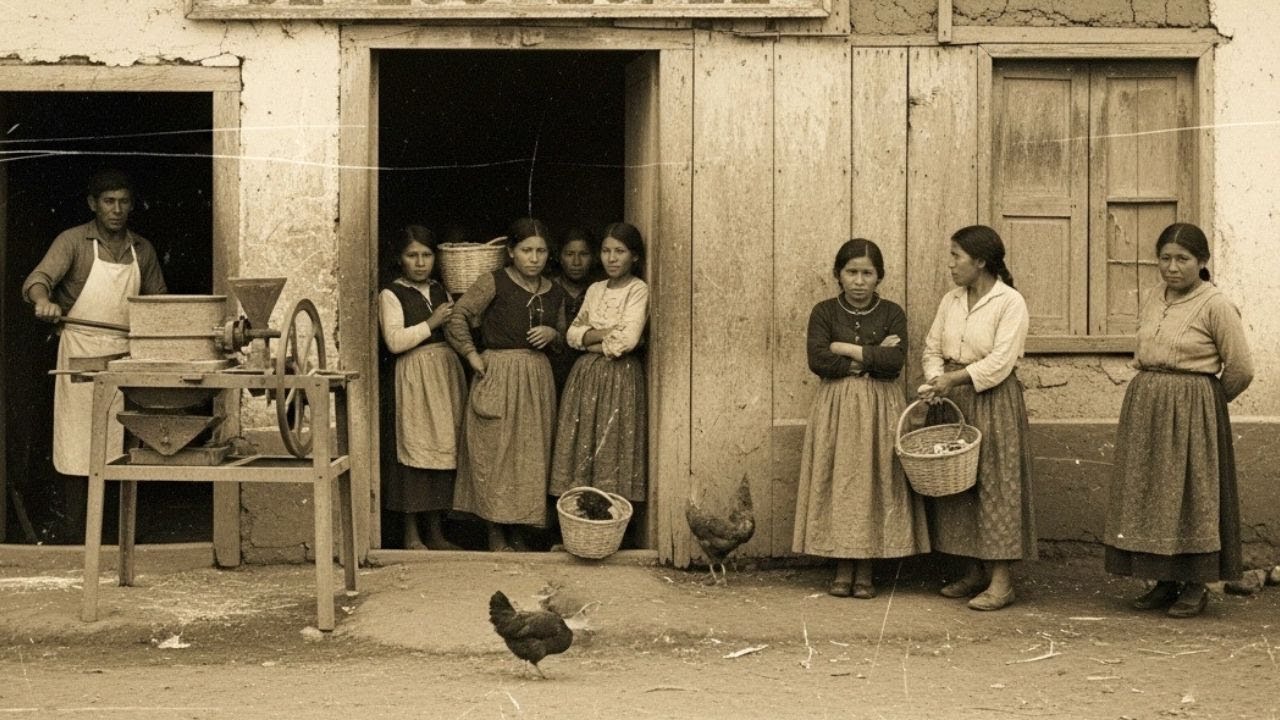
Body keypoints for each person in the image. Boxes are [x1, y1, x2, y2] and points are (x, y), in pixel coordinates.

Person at [1104, 223, 1253, 618]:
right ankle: (1164, 581)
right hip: (1147, 409)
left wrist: (1207, 404)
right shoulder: (1154, 296)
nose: (1172, 267)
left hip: (1192, 411)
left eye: (1183, 259)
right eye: (1165, 258)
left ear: (1201, 262)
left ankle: (1195, 584)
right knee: (1153, 492)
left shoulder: (1216, 305)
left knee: (1191, 494)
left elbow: (1241, 368)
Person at [21, 169, 168, 536]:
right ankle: (76, 533)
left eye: (124, 202)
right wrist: (43, 302)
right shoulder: (72, 241)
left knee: (122, 441)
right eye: (108, 202)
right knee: (78, 442)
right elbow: (37, 280)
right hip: (80, 351)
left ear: (131, 205)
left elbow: (160, 305)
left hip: (126, 355)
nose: (116, 210)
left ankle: (118, 535)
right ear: (93, 204)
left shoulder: (142, 249)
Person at [793, 239, 929, 599]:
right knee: (841, 480)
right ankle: (842, 566)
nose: (858, 281)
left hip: (881, 405)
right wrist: (871, 355)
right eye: (851, 272)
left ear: (878, 276)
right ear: (838, 274)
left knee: (875, 479)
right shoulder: (824, 312)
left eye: (867, 273)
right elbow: (818, 360)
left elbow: (894, 362)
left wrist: (844, 349)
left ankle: (867, 569)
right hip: (836, 406)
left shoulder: (892, 312)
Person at [918, 225, 1034, 611]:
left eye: (957, 256)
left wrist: (953, 379)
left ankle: (1002, 581)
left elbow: (1001, 362)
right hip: (953, 400)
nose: (950, 264)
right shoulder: (951, 300)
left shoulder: (1009, 302)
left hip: (993, 400)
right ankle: (973, 571)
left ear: (980, 261)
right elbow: (932, 347)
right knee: (960, 487)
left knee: (996, 486)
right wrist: (936, 379)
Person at [445, 218, 568, 552]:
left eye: (541, 251)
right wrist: (471, 354)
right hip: (497, 372)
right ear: (511, 251)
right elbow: (458, 316)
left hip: (536, 378)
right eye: (526, 250)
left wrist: (553, 334)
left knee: (529, 456)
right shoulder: (493, 281)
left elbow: (564, 338)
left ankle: (518, 532)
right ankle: (495, 532)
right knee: (495, 453)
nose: (534, 258)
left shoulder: (555, 291)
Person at [378, 225, 466, 550]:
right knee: (413, 454)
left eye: (426, 255)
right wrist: (432, 323)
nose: (420, 262)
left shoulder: (441, 290)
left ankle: (436, 534)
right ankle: (411, 535)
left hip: (444, 377)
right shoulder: (391, 294)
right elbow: (394, 341)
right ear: (400, 259)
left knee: (442, 452)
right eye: (412, 255)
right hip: (414, 376)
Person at [550, 222, 650, 506]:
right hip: (585, 377)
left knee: (612, 444)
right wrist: (606, 332)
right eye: (606, 251)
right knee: (583, 444)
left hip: (619, 377)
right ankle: (578, 514)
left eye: (620, 251)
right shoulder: (594, 289)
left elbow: (625, 342)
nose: (612, 258)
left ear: (635, 256)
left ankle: (610, 516)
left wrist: (589, 339)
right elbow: (571, 335)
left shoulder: (637, 290)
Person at [547, 227, 597, 394]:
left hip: (591, 372)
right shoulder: (547, 288)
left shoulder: (600, 289)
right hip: (552, 373)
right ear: (559, 257)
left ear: (594, 257)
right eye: (569, 254)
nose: (576, 262)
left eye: (584, 254)